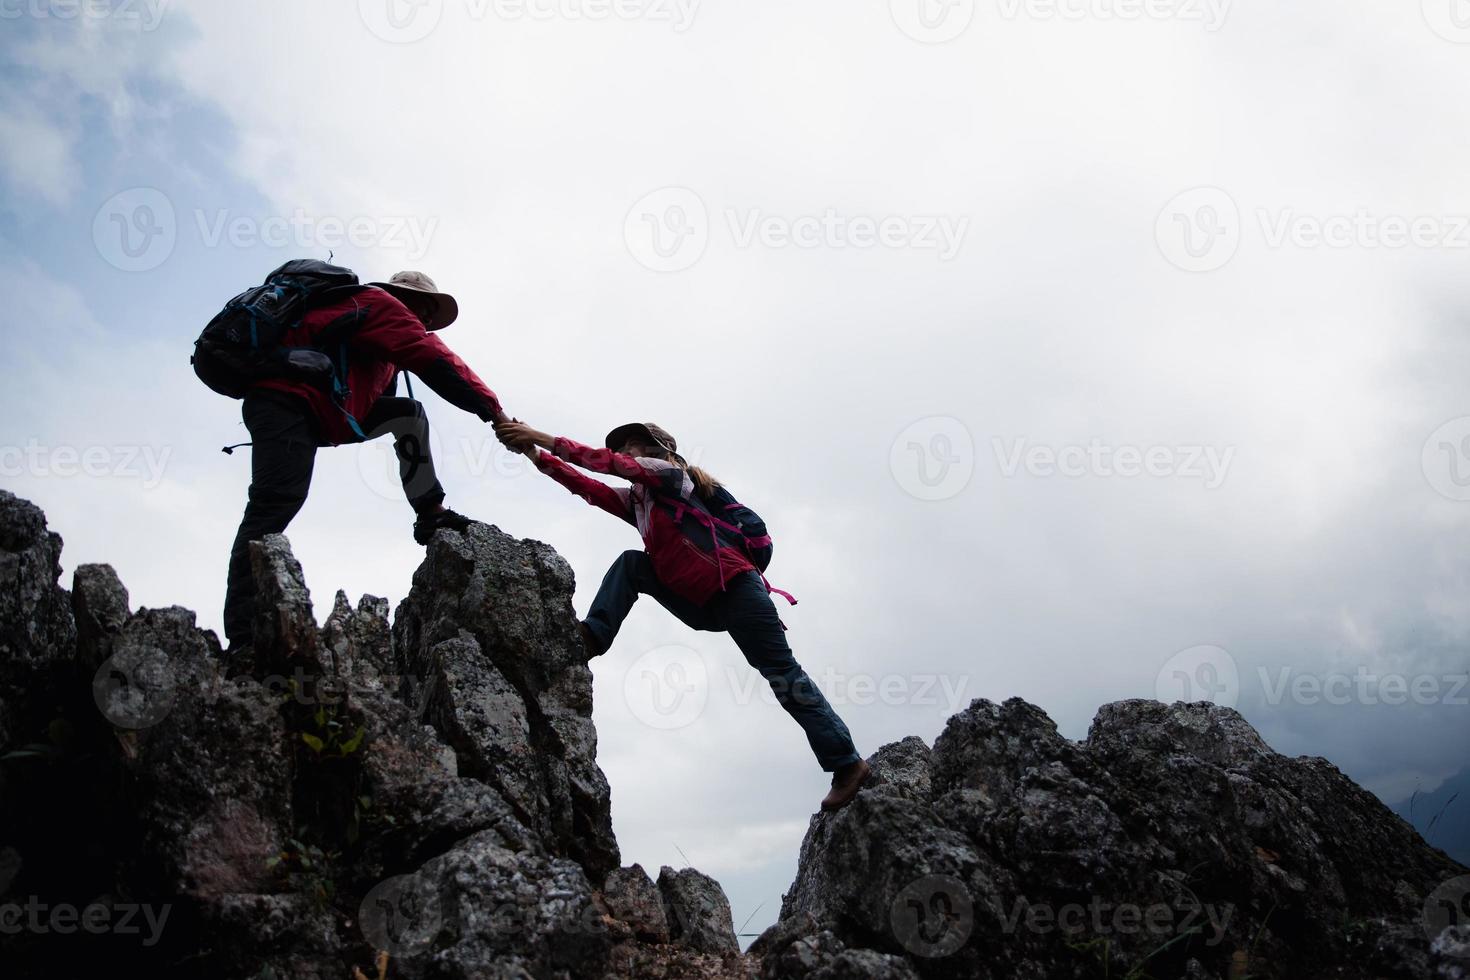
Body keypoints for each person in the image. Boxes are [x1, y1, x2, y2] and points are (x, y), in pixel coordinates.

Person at [494, 418, 870, 811]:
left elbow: (605, 464)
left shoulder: (670, 474)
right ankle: (593, 635)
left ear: (659, 449)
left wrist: (539, 435)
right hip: (699, 602)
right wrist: (534, 453)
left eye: (632, 445)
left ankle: (847, 763)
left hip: (737, 590)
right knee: (631, 564)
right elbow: (589, 488)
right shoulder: (642, 501)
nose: (624, 453)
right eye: (622, 447)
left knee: (783, 675)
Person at [223, 270, 508, 650]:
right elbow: (437, 361)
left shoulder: (374, 333)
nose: (425, 320)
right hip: (285, 401)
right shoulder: (381, 306)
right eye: (423, 308)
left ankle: (431, 511)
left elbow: (376, 398)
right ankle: (243, 635)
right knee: (273, 504)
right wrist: (495, 412)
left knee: (408, 412)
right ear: (405, 298)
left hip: (316, 411)